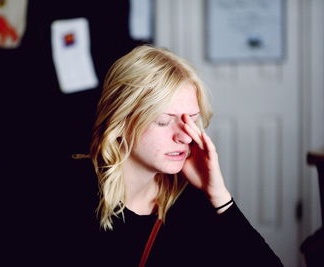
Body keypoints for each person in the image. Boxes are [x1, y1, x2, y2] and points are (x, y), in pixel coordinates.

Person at [68, 45, 284, 266]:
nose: (185, 137)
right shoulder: (68, 192)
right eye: (164, 121)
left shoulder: (188, 198)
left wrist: (220, 197)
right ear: (121, 120)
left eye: (191, 119)